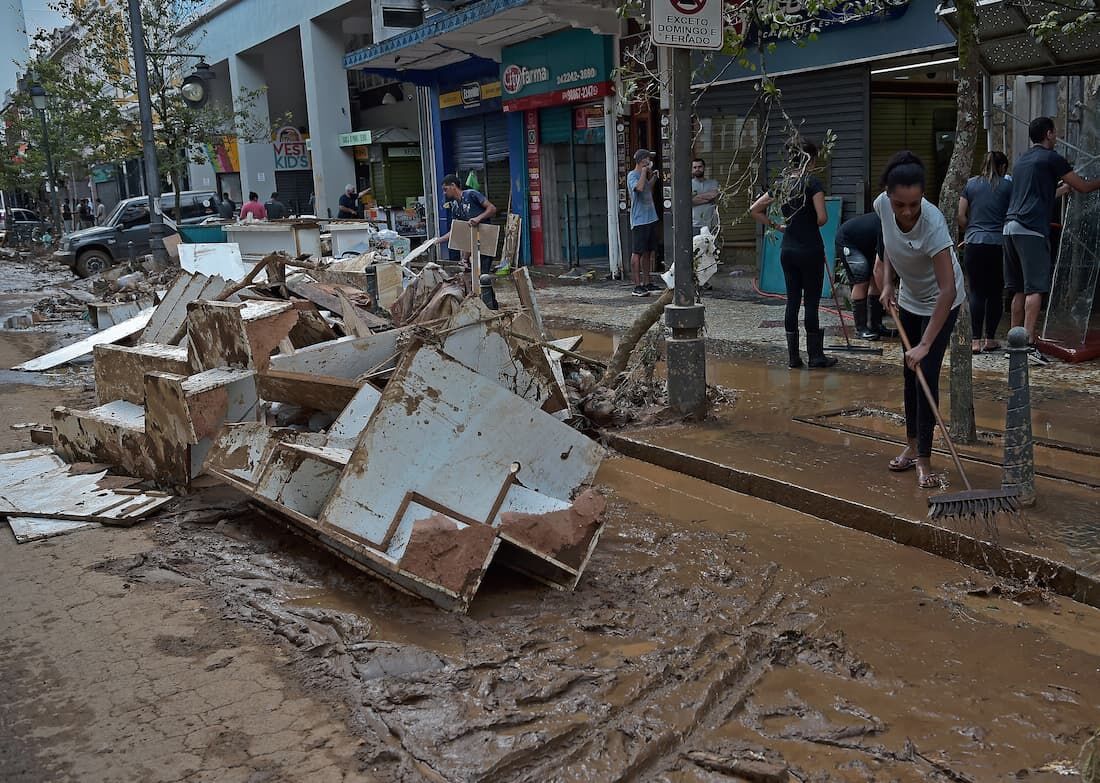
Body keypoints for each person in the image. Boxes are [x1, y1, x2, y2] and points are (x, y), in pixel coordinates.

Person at [873, 151, 967, 490]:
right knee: (908, 371)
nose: (907, 211)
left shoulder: (934, 225)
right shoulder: (882, 206)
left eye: (914, 204)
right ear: (888, 195)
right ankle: (912, 446)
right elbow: (887, 244)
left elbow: (947, 289)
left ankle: (925, 460)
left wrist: (926, 343)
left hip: (943, 303)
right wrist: (886, 284)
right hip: (910, 299)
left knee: (925, 372)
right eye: (900, 204)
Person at [1004, 116, 1100, 344]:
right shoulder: (1052, 158)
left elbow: (1035, 196)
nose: (1057, 137)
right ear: (1048, 134)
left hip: (1009, 228)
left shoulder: (1021, 161)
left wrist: (1062, 189)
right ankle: (1028, 341)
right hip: (1031, 229)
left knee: (1018, 289)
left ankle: (1014, 341)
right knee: (1035, 288)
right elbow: (1084, 187)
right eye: (1055, 132)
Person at [750, 139, 836, 369]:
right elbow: (822, 218)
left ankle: (793, 358)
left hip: (788, 250)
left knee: (792, 301)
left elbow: (754, 209)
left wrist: (777, 226)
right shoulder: (812, 183)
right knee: (811, 303)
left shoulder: (781, 185)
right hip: (810, 249)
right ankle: (816, 356)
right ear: (811, 159)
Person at [958, 151, 1012, 353]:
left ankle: (974, 341)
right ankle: (990, 339)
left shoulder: (971, 184)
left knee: (977, 292)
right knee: (995, 293)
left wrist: (971, 229)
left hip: (974, 243)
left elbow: (960, 215)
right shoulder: (1008, 186)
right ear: (1003, 167)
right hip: (998, 245)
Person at [435, 174, 498, 306]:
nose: (444, 192)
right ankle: (482, 305)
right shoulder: (455, 206)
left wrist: (478, 218)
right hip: (473, 246)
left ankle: (491, 306)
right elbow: (457, 231)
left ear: (453, 186)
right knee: (474, 277)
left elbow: (492, 208)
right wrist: (437, 240)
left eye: (445, 189)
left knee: (483, 276)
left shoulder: (471, 195)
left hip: (486, 240)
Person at [836, 211, 887, 341]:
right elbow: (878, 269)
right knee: (861, 280)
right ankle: (861, 329)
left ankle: (875, 325)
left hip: (866, 244)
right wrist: (886, 292)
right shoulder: (886, 226)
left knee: (874, 281)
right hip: (848, 242)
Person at [627, 149, 661, 297]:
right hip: (639, 220)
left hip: (651, 218)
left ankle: (647, 282)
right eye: (648, 159)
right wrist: (644, 171)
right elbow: (639, 188)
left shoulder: (643, 176)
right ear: (642, 161)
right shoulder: (632, 175)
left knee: (648, 252)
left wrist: (653, 178)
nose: (650, 161)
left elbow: (647, 189)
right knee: (638, 252)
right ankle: (637, 285)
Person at [691, 158, 720, 237]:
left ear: (704, 168)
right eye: (695, 167)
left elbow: (714, 195)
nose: (697, 169)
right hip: (694, 224)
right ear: (692, 169)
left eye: (700, 167)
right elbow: (690, 201)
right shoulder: (689, 184)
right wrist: (708, 198)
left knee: (712, 248)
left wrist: (697, 197)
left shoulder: (713, 183)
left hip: (711, 224)